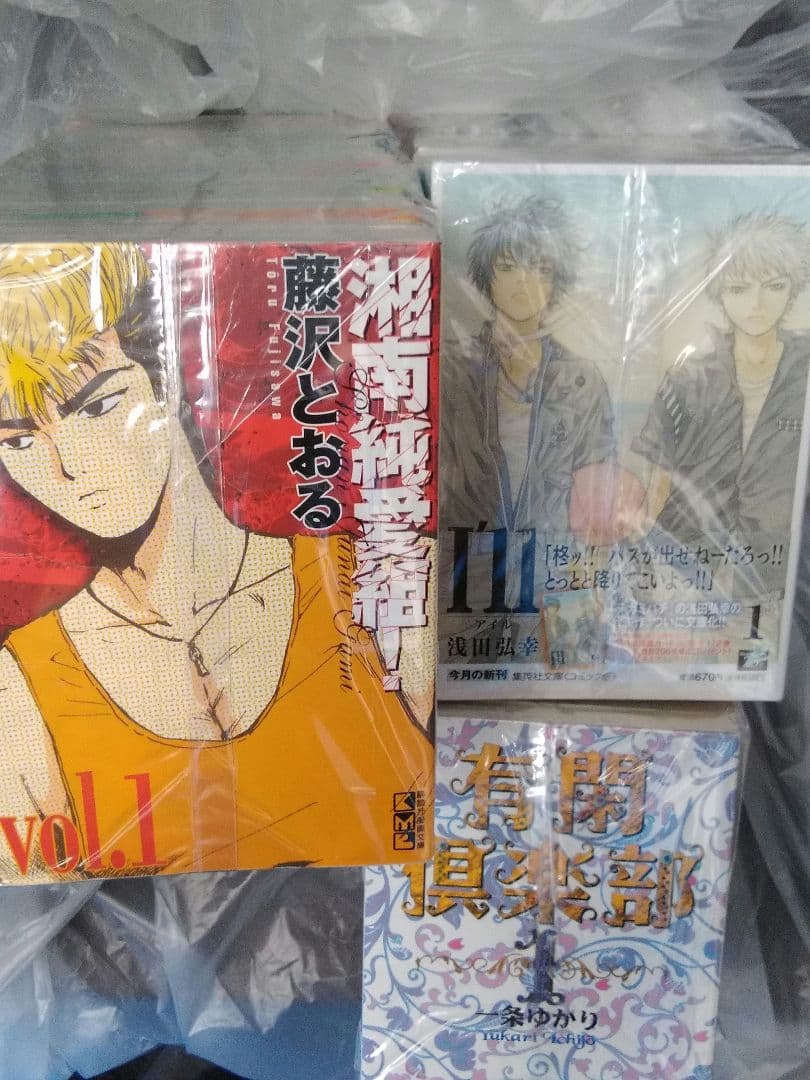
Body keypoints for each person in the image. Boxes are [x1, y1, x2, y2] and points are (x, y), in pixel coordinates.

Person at [0, 243, 432, 880]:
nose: (65, 469)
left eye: (96, 407)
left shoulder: (377, 576)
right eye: (19, 441)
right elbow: (45, 901)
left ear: (166, 385)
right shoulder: (19, 682)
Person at [635, 213, 810, 552]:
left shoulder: (803, 374)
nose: (756, 304)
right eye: (739, 289)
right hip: (687, 555)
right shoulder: (686, 380)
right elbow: (658, 484)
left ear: (793, 289)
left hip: (776, 559)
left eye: (774, 286)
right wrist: (637, 553)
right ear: (721, 294)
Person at [442, 194, 616, 536]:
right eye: (507, 268)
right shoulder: (452, 369)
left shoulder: (582, 380)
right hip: (465, 556)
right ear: (486, 276)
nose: (523, 280)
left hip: (550, 556)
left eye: (540, 269)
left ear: (555, 282)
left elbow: (597, 484)